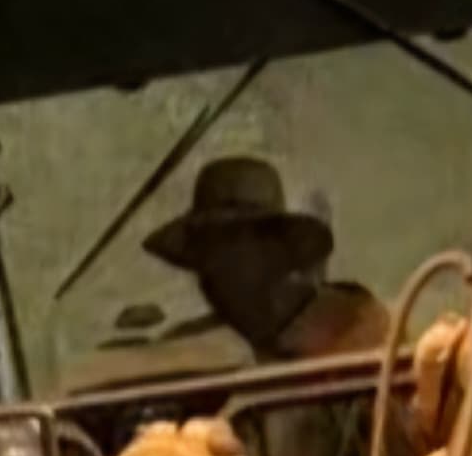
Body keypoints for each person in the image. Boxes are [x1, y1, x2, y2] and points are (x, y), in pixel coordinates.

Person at [63, 155, 392, 395]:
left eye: (233, 245)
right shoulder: (196, 355)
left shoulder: (357, 333)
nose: (213, 270)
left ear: (274, 250)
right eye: (205, 251)